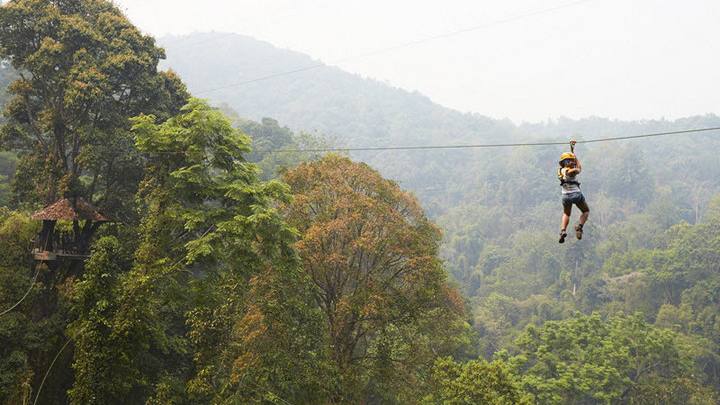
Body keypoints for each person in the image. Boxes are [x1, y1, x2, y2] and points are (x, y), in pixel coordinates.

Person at [558, 141, 589, 243]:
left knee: (566, 214)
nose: (572, 162)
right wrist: (576, 166)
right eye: (570, 161)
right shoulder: (571, 171)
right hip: (576, 194)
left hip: (565, 196)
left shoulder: (560, 170)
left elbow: (571, 164)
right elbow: (578, 168)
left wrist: (572, 150)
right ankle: (579, 227)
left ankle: (563, 231)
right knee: (585, 211)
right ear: (568, 162)